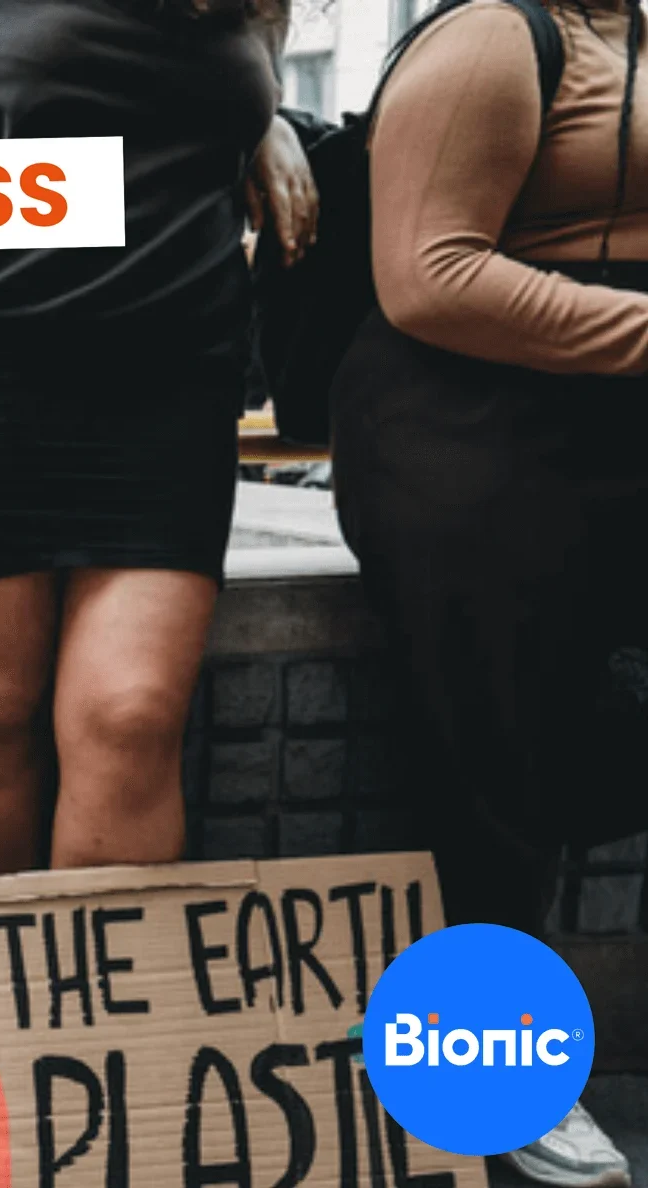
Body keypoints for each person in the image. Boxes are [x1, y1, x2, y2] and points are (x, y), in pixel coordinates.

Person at [0, 0, 317, 876]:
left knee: (133, 717)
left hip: (172, 381)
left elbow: (220, 92)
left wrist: (268, 125)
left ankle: (111, 974)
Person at [332, 1, 647, 1183]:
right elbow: (427, 278)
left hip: (609, 418)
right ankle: (492, 1086)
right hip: (467, 434)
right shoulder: (490, 39)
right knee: (487, 767)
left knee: (546, 750)